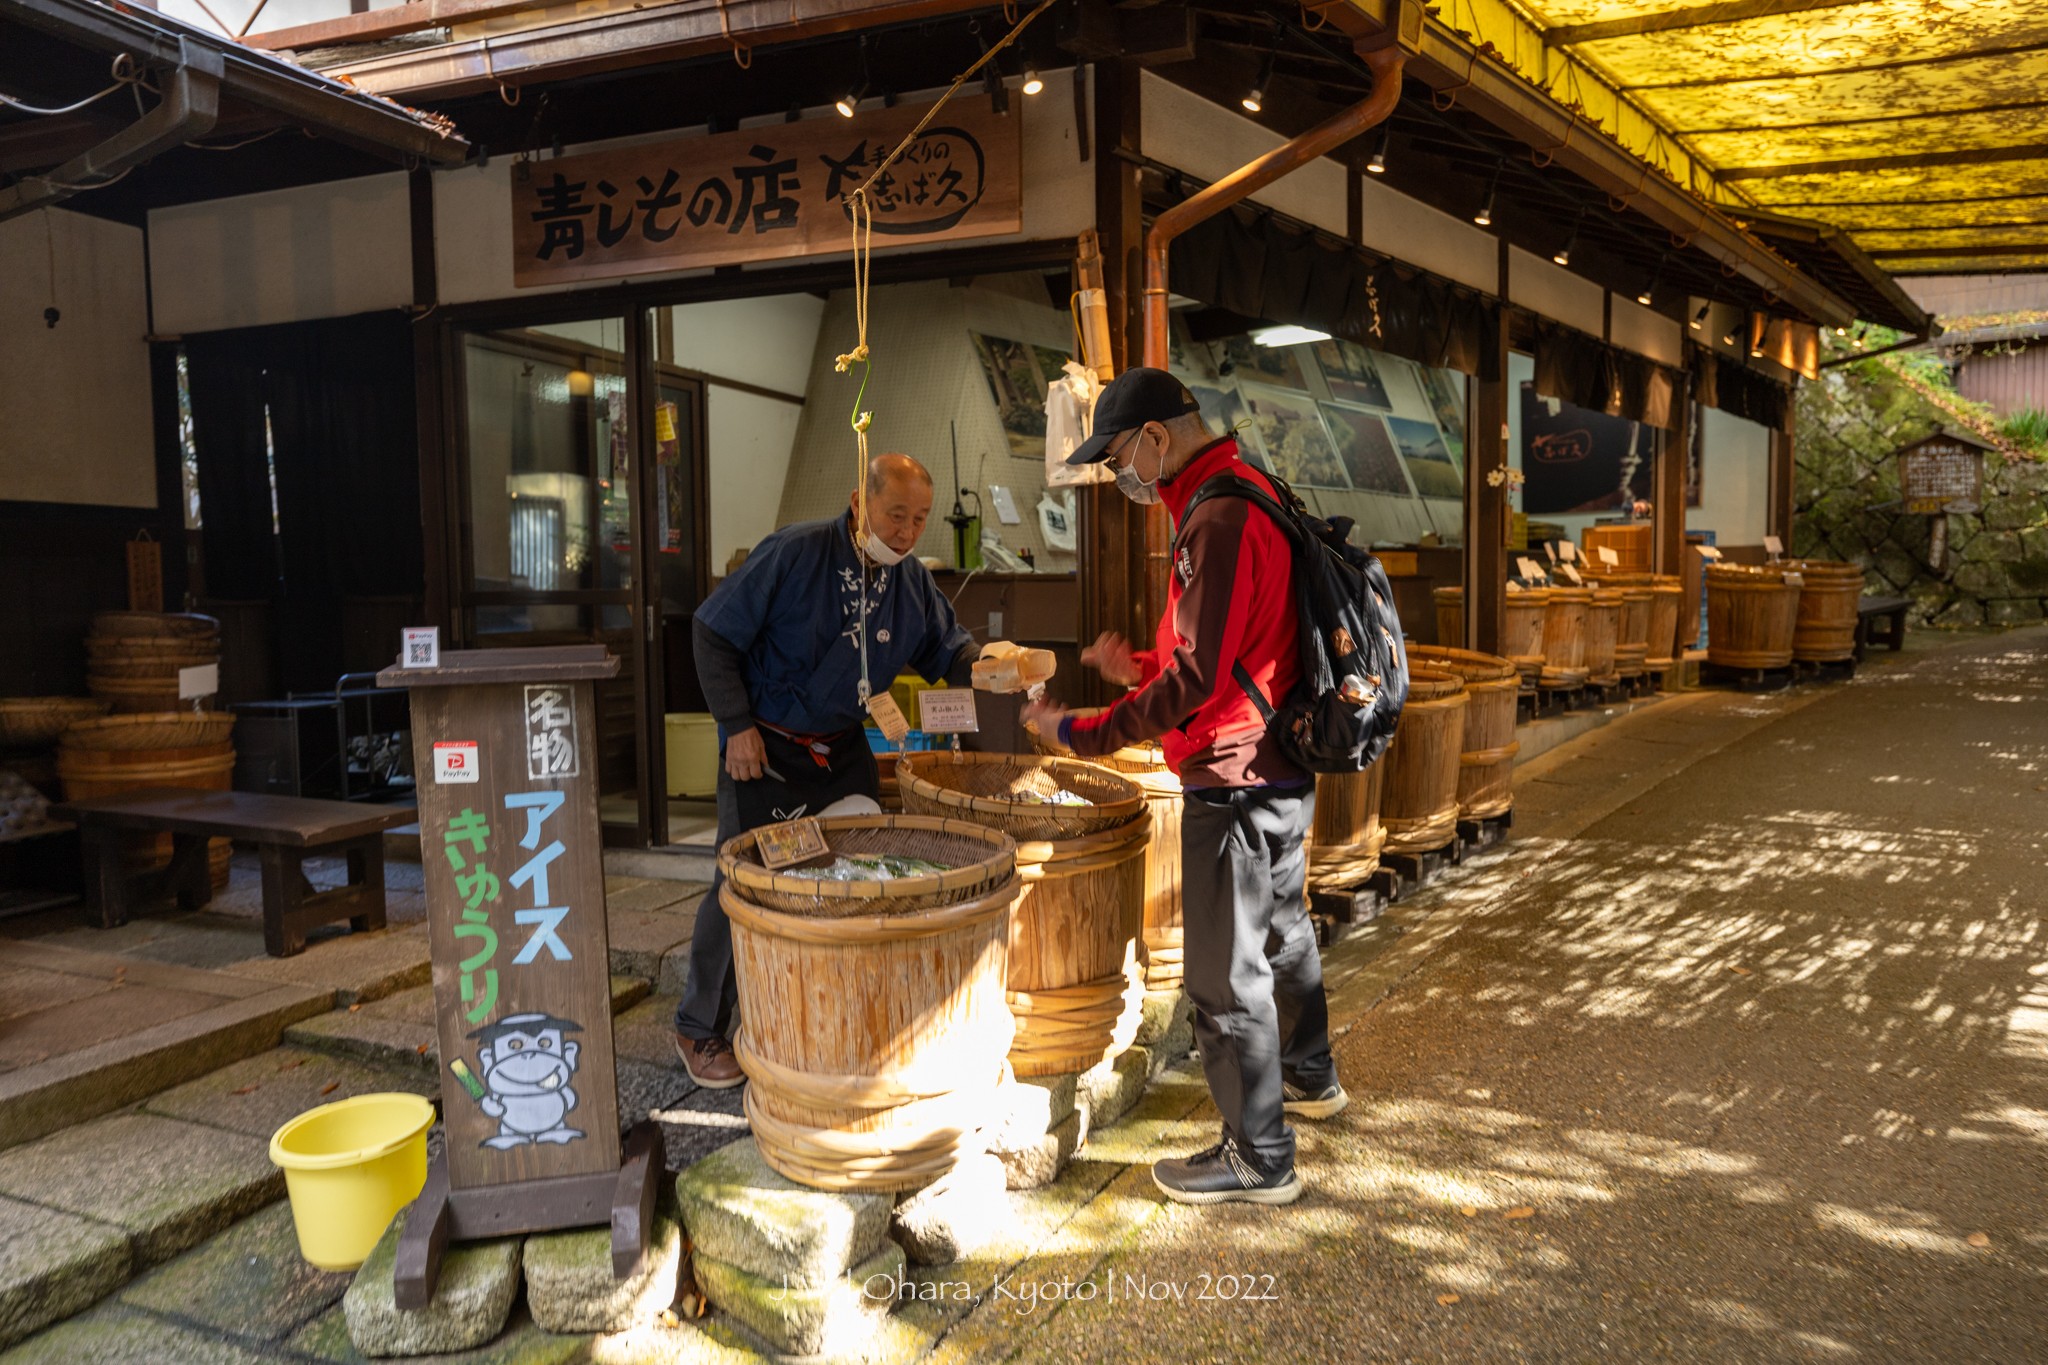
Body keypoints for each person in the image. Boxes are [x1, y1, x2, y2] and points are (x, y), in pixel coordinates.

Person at [1022, 367, 1344, 1208]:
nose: (1122, 471)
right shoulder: (1247, 490)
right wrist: (1139, 667)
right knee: (1282, 933)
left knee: (1223, 973)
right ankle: (1311, 1076)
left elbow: (1200, 678)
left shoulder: (1218, 514)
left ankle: (1259, 1154)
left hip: (1234, 777)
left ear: (1158, 437)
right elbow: (1238, 646)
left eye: (1122, 452)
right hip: (1274, 764)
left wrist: (1081, 731)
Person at [674, 452, 976, 1087]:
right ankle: (699, 1027)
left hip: (841, 749)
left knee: (854, 872)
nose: (907, 533)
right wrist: (735, 725)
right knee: (748, 882)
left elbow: (951, 650)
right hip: (764, 750)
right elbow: (712, 633)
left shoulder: (911, 581)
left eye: (919, 520)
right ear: (859, 501)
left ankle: (822, 1007)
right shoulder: (795, 552)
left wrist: (1000, 662)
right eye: (896, 515)